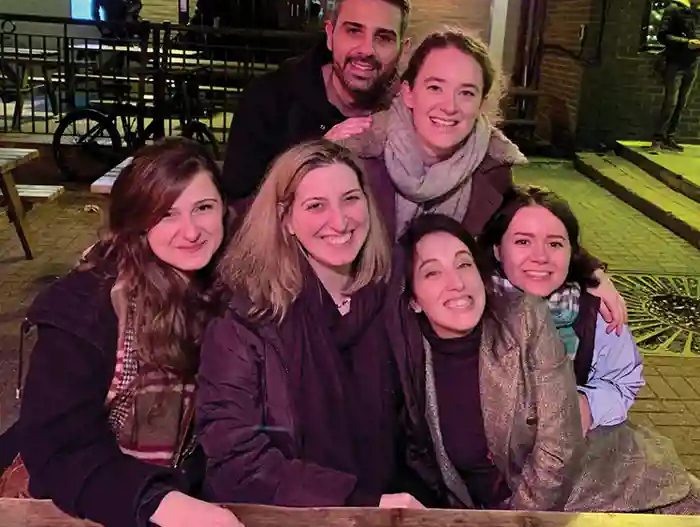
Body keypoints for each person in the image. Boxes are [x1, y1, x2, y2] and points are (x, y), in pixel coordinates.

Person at [0, 141, 243, 527]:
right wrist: (156, 500)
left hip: (180, 487)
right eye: (167, 214)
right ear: (137, 221)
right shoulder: (87, 307)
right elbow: (58, 445)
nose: (191, 230)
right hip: (82, 497)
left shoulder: (223, 288)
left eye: (203, 208)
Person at [339, 28, 628, 333]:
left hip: (444, 333)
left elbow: (529, 223)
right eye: (435, 87)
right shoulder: (356, 157)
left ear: (481, 102)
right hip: (361, 328)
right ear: (409, 93)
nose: (450, 106)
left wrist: (591, 272)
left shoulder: (492, 170)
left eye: (466, 92)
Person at [197, 140, 434, 507]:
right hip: (283, 515)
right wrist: (360, 502)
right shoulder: (245, 316)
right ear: (285, 219)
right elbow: (234, 461)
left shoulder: (395, 292)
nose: (339, 221)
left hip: (391, 506)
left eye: (350, 199)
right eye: (315, 206)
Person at [480, 185, 700, 514]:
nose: (540, 256)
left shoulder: (594, 312)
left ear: (571, 251)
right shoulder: (474, 306)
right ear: (497, 249)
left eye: (555, 243)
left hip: (588, 466)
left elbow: (625, 380)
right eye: (522, 241)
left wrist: (588, 404)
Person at [388, 213, 585, 510]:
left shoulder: (525, 320)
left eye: (464, 264)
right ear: (413, 299)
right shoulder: (411, 358)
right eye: (432, 273)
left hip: (587, 502)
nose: (456, 283)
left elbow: (559, 449)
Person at [221, 0, 410, 202]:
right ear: (330, 35)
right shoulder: (269, 100)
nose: (366, 50)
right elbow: (237, 210)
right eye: (353, 31)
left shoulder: (410, 114)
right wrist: (315, 160)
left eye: (384, 38)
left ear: (403, 49)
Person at [653, 0, 700, 152]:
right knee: (670, 101)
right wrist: (687, 43)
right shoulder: (674, 9)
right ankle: (658, 137)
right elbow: (663, 36)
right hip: (675, 61)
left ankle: (669, 137)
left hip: (693, 61)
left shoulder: (698, 11)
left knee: (682, 102)